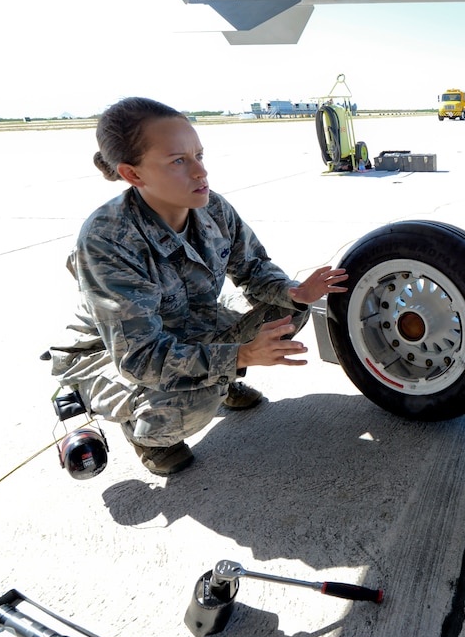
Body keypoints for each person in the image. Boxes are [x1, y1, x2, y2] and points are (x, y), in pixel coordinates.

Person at [48, 97, 348, 476]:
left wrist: (295, 292)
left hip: (191, 326)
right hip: (109, 354)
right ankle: (149, 433)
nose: (200, 172)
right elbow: (139, 357)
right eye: (178, 161)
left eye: (199, 155)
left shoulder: (212, 208)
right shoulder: (108, 239)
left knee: (288, 310)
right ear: (134, 174)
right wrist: (239, 356)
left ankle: (218, 379)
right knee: (191, 404)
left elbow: (253, 269)